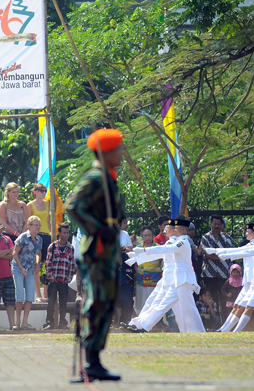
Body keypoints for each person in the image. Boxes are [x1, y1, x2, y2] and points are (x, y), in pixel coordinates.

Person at [65, 128, 125, 381]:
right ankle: (90, 360)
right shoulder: (96, 177)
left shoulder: (108, 177)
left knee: (106, 304)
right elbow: (73, 206)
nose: (122, 154)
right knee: (95, 303)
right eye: (118, 149)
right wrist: (99, 229)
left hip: (108, 253)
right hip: (97, 252)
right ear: (106, 152)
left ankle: (95, 360)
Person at [125, 218, 205, 334]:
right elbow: (160, 252)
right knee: (165, 307)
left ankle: (198, 332)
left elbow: (164, 249)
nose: (173, 229)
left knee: (188, 309)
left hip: (183, 280)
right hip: (176, 280)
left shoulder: (183, 242)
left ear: (183, 229)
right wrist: (136, 257)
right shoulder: (178, 241)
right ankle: (143, 326)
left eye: (175, 228)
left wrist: (141, 251)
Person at [200, 215, 236, 318]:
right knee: (212, 300)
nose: (216, 226)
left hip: (224, 275)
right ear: (211, 224)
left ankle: (226, 324)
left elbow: (229, 254)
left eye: (218, 224)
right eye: (214, 224)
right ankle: (214, 324)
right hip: (209, 275)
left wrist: (214, 256)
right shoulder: (205, 238)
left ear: (222, 225)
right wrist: (221, 256)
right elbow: (206, 254)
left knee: (225, 301)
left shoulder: (227, 238)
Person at [12, 215, 42, 330]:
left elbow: (38, 253)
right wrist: (21, 268)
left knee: (30, 295)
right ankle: (17, 322)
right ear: (29, 226)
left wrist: (38, 264)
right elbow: (14, 253)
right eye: (35, 225)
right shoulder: (22, 237)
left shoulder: (39, 239)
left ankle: (25, 322)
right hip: (18, 267)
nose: (38, 227)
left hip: (29, 268)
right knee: (20, 295)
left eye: (39, 225)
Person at [44, 222, 75, 330]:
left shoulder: (70, 248)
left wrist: (69, 278)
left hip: (64, 280)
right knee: (51, 302)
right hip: (53, 280)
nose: (66, 235)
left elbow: (72, 265)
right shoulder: (52, 247)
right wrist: (50, 275)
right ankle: (49, 321)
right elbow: (48, 263)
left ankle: (62, 321)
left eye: (67, 233)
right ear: (59, 233)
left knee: (63, 303)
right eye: (64, 233)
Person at [26, 183, 52, 304]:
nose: (44, 192)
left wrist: (52, 234)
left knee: (48, 265)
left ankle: (46, 293)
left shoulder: (47, 203)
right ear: (35, 192)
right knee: (37, 265)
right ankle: (38, 294)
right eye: (41, 190)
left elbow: (48, 221)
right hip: (36, 236)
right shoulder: (30, 205)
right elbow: (27, 223)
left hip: (47, 236)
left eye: (45, 190)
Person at [134, 226, 161, 313]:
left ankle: (156, 324)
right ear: (142, 237)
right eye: (145, 235)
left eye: (149, 235)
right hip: (141, 282)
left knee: (154, 305)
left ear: (153, 235)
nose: (148, 237)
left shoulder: (159, 248)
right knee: (142, 305)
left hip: (154, 281)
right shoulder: (139, 248)